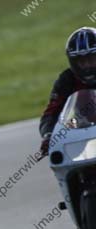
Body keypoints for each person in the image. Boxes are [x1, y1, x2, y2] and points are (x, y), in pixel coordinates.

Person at [39, 27, 96, 156]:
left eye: (91, 60)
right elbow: (51, 112)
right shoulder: (67, 80)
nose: (87, 66)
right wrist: (48, 135)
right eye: (82, 61)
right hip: (83, 133)